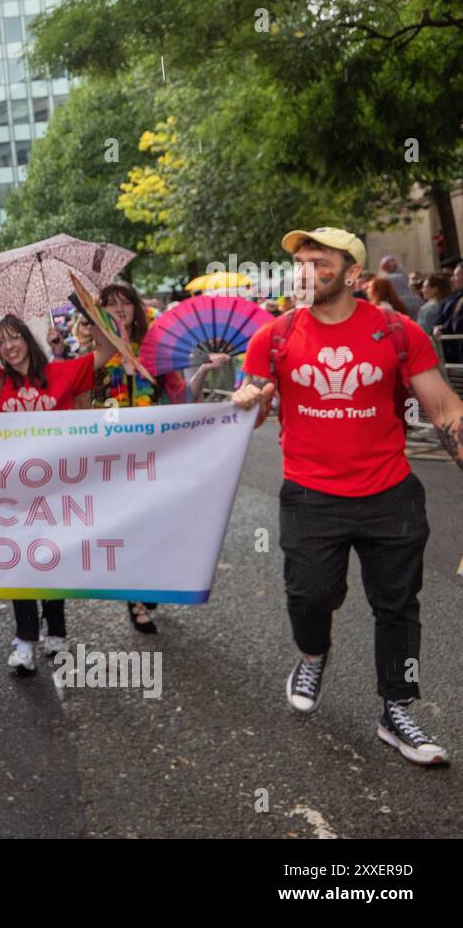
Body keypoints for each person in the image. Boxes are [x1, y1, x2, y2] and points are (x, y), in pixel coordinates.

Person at [234, 227, 463, 766]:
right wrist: (248, 401)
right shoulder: (274, 337)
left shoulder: (398, 331)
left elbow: (445, 409)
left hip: (390, 495)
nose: (306, 272)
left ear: (353, 275)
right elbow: (255, 412)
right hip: (311, 496)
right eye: (301, 263)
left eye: (320, 262)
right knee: (310, 595)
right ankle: (313, 653)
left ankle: (397, 708)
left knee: (397, 607)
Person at [0, 313, 119, 671]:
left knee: (53, 558)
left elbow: (108, 349)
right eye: (0, 342)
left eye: (13, 338)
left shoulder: (64, 372)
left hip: (57, 489)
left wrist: (91, 314)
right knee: (18, 562)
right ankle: (25, 640)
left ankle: (56, 630)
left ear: (27, 340)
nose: (8, 346)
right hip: (12, 491)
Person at [92, 283, 224, 632]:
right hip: (115, 459)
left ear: (136, 308)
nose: (119, 309)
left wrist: (205, 370)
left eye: (125, 303)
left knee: (157, 527)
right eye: (110, 305)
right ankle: (135, 599)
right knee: (129, 528)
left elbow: (181, 402)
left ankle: (147, 582)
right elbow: (80, 404)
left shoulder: (157, 351)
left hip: (156, 457)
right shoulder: (95, 355)